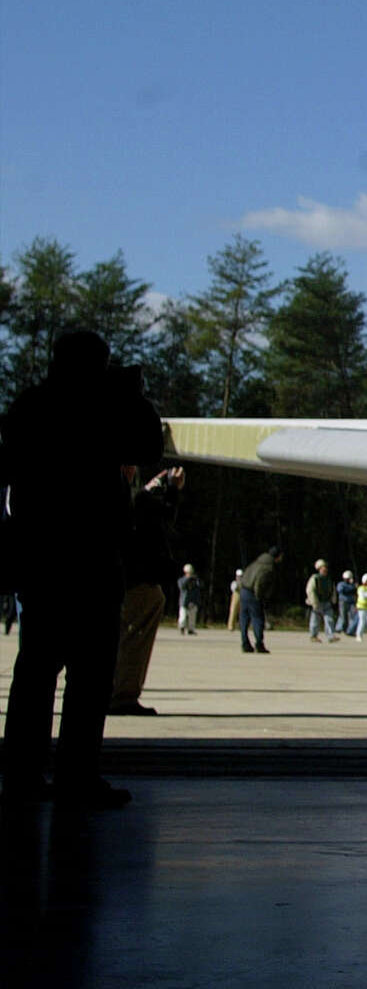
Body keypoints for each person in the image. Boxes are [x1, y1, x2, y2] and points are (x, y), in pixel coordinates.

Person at [1, 329, 163, 809]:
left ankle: (23, 774)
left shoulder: (30, 405)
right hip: (92, 557)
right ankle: (77, 775)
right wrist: (132, 396)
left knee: (35, 671)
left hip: (43, 555)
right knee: (90, 678)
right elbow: (148, 446)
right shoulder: (103, 408)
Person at [109, 464, 185, 716]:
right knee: (134, 638)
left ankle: (117, 692)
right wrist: (168, 491)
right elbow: (155, 519)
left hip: (126, 578)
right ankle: (122, 694)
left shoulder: (129, 495)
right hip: (135, 579)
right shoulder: (132, 498)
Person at [238, 545, 282, 654]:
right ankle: (259, 643)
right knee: (257, 618)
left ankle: (245, 643)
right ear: (277, 556)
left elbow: (244, 576)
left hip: (244, 590)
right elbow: (259, 583)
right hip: (253, 593)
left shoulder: (256, 562)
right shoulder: (268, 567)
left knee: (244, 618)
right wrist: (260, 598)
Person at [307, 559, 340, 642]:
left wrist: (333, 599)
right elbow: (310, 590)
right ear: (319, 569)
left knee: (329, 619)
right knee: (315, 620)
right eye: (322, 567)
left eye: (325, 567)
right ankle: (313, 636)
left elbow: (333, 589)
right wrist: (314, 602)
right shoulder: (315, 578)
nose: (325, 569)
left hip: (327, 602)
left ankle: (331, 636)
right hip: (317, 602)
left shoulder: (329, 579)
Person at [177, 563, 201, 635]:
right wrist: (187, 579)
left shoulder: (195, 580)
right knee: (183, 616)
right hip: (184, 601)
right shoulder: (181, 580)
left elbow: (199, 588)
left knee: (192, 617)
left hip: (193, 601)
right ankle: (182, 627)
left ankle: (191, 629)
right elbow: (182, 587)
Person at [334, 566, 357, 640]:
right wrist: (352, 588)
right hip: (343, 602)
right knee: (343, 616)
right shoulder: (341, 584)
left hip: (352, 602)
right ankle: (340, 628)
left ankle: (350, 630)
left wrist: (353, 587)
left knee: (353, 616)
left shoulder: (353, 585)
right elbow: (341, 591)